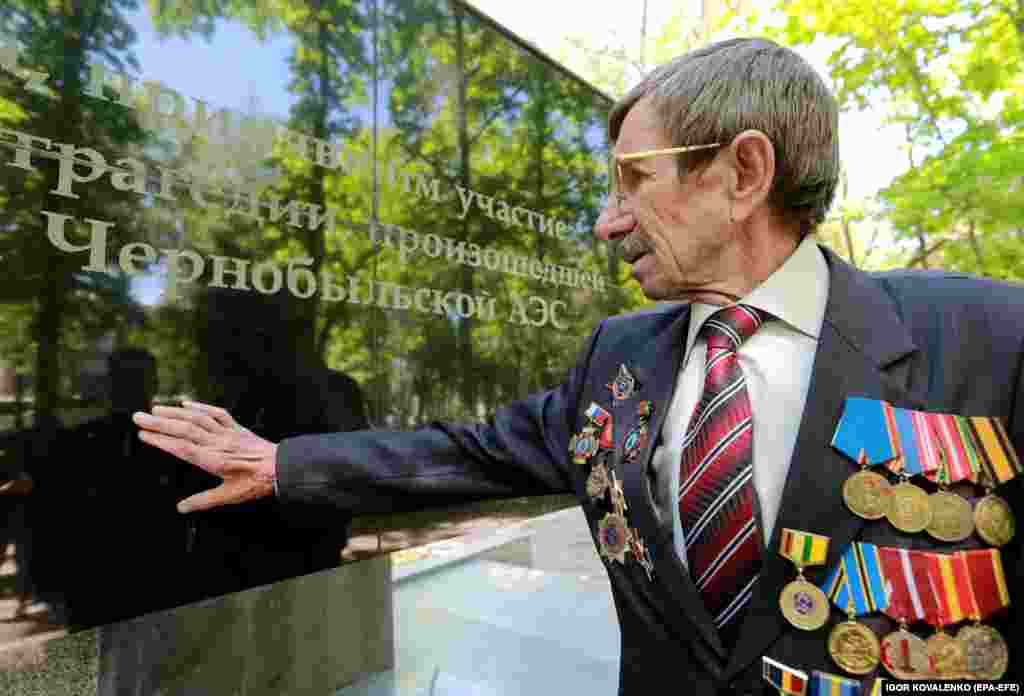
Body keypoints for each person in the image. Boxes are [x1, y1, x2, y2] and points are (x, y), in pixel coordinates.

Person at [133, 38, 1023, 696]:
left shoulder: (988, 338)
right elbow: (475, 452)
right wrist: (279, 464)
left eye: (633, 180)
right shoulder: (621, 356)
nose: (608, 221)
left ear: (743, 172)